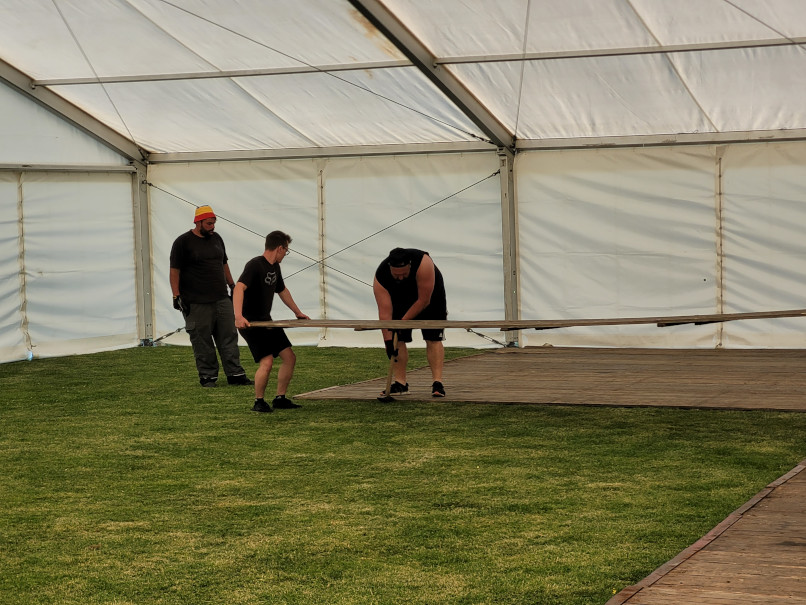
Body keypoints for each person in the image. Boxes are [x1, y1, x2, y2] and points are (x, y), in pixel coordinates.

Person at [169, 205, 252, 388]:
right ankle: (208, 377)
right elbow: (174, 271)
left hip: (221, 299)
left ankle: (236, 374)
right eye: (209, 223)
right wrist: (176, 296)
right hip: (196, 302)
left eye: (214, 223)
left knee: (229, 336)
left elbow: (224, 264)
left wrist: (232, 286)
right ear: (198, 222)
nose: (212, 227)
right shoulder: (182, 242)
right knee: (202, 340)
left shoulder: (217, 239)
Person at [233, 230, 309, 413]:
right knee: (267, 362)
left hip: (267, 321)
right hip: (251, 323)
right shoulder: (255, 265)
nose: (285, 254)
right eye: (286, 250)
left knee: (289, 357)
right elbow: (238, 288)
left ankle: (280, 398)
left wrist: (298, 312)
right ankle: (258, 401)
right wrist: (238, 316)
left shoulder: (275, 267)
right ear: (280, 248)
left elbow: (282, 290)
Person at [373, 247, 447, 397]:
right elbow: (385, 313)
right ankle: (400, 383)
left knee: (433, 338)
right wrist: (388, 342)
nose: (400, 278)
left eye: (404, 274)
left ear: (410, 266)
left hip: (430, 297)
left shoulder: (424, 263)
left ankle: (437, 383)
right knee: (397, 338)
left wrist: (403, 322)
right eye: (396, 275)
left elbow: (424, 300)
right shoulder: (381, 276)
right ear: (390, 268)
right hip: (401, 298)